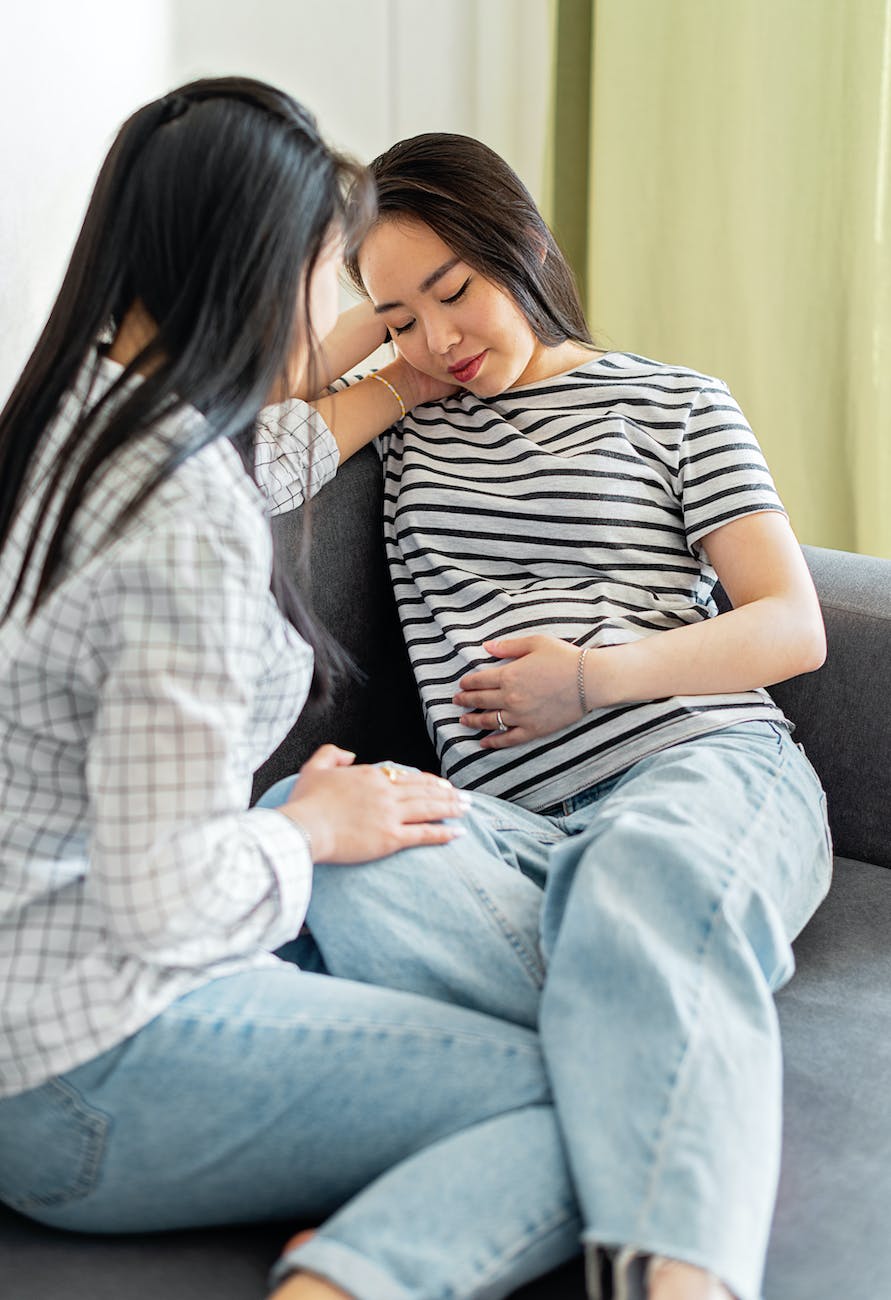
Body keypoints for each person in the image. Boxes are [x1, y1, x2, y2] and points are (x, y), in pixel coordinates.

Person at [0, 84, 592, 1300]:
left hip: (41, 1002)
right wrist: (304, 827)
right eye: (338, 284)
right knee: (575, 1092)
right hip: (84, 1069)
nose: (344, 323)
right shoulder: (181, 518)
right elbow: (164, 903)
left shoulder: (71, 422)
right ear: (265, 269)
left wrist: (399, 374)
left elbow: (266, 449)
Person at [269, 133, 834, 1300]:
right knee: (307, 839)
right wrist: (367, 333)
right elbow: (246, 435)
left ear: (517, 244)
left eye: (456, 293)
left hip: (701, 765)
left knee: (640, 869)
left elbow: (792, 623)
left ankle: (680, 1278)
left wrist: (594, 678)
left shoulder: (671, 400)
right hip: (525, 841)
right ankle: (664, 1010)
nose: (439, 339)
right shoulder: (405, 410)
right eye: (400, 314)